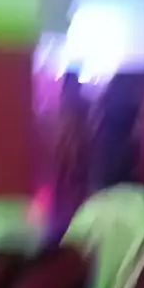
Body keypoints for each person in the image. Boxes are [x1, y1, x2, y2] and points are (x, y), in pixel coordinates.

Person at [54, 71, 90, 231]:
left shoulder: (64, 109)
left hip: (68, 164)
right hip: (75, 163)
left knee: (66, 198)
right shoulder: (82, 108)